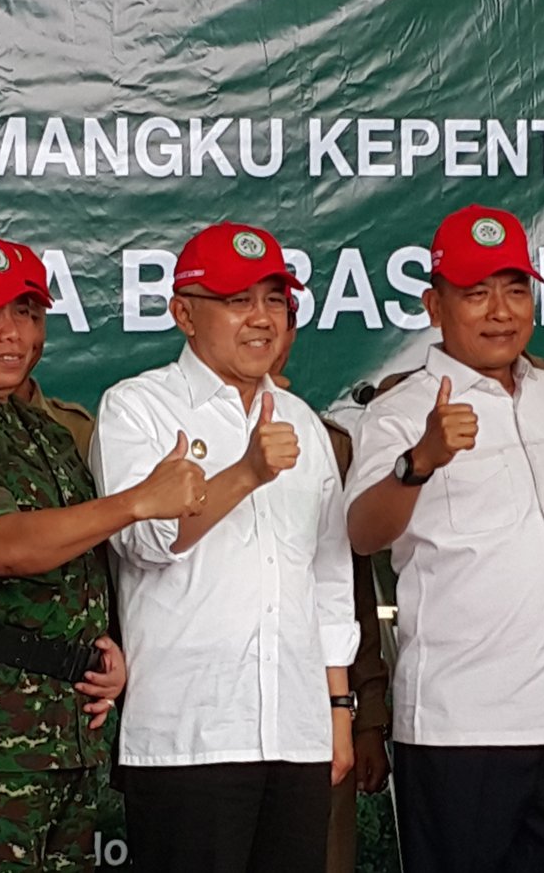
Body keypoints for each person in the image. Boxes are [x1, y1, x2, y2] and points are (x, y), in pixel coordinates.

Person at [0, 229, 196, 873]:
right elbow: (1, 546)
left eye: (27, 313)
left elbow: (76, 565)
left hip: (59, 734)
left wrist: (104, 645)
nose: (12, 333)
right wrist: (138, 500)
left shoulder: (38, 427)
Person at [344, 205, 544, 873]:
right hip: (459, 726)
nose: (500, 310)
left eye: (515, 288)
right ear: (435, 304)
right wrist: (420, 460)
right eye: (476, 292)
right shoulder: (397, 412)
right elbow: (361, 529)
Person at [89, 221, 358, 873]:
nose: (261, 318)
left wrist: (338, 709)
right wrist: (245, 473)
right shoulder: (137, 407)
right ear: (184, 312)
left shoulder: (304, 424)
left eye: (274, 299)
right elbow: (144, 540)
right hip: (190, 734)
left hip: (297, 730)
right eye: (239, 300)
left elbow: (327, 575)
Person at [266, 300, 393, 873]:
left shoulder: (329, 442)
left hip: (320, 711)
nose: (261, 324)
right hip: (210, 725)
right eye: (239, 304)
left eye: (278, 313)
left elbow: (351, 592)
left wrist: (364, 714)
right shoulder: (153, 417)